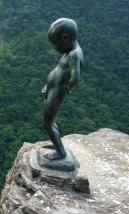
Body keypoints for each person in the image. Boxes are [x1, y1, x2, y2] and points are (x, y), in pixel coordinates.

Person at [42, 18, 84, 160]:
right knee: (51, 122)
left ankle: (61, 152)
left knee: (47, 124)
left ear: (65, 38)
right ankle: (57, 143)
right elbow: (59, 70)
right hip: (53, 89)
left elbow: (76, 77)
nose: (55, 48)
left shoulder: (74, 54)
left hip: (57, 92)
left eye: (56, 44)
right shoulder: (70, 51)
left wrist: (67, 89)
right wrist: (48, 85)